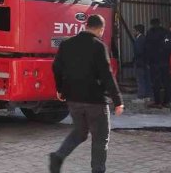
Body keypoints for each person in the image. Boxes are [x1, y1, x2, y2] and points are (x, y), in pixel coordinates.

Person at [50, 14, 124, 173]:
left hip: (73, 99)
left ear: (85, 25)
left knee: (80, 132)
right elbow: (107, 75)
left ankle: (58, 156)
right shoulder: (98, 46)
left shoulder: (66, 44)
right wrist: (118, 100)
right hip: (95, 101)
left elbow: (56, 67)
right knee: (100, 139)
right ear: (101, 29)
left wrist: (60, 89)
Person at [144, 18, 171, 107]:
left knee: (155, 83)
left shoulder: (150, 33)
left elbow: (146, 48)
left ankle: (157, 102)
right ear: (160, 23)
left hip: (154, 62)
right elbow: (170, 46)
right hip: (165, 61)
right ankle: (166, 101)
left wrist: (147, 61)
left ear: (151, 24)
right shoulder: (166, 32)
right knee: (166, 82)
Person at [133, 24, 151, 100]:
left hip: (140, 62)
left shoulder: (139, 39)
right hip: (145, 63)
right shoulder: (145, 38)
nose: (133, 32)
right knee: (146, 79)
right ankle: (147, 95)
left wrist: (135, 60)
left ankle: (141, 96)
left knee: (140, 80)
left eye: (134, 31)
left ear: (138, 31)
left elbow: (139, 51)